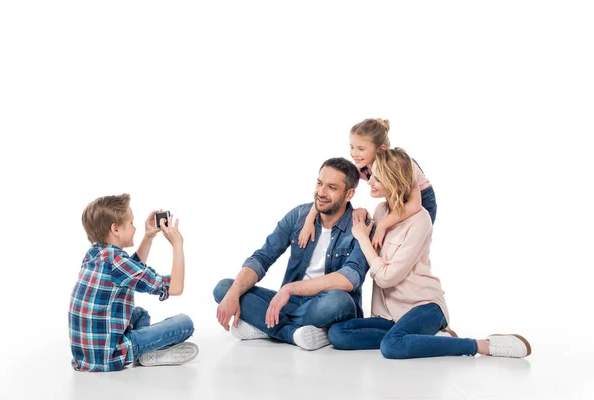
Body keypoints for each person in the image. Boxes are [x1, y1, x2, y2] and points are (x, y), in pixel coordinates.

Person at [328, 149, 531, 359]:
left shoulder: (420, 220)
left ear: (393, 181)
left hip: (423, 307)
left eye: (377, 178)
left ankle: (481, 346)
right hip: (388, 317)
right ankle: (425, 339)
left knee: (391, 347)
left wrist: (362, 238)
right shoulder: (380, 211)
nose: (369, 182)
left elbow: (387, 278)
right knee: (338, 334)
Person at [213, 158, 372, 350]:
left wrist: (290, 289)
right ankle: (295, 333)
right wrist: (234, 292)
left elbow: (350, 278)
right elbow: (263, 257)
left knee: (340, 301)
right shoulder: (299, 216)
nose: (321, 192)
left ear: (349, 194)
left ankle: (267, 327)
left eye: (331, 187)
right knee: (224, 288)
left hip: (325, 304)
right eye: (319, 183)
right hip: (291, 303)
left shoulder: (361, 227)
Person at [68, 194, 198, 372]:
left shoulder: (97, 253)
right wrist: (177, 244)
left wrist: (148, 236)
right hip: (110, 356)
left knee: (139, 314)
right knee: (185, 324)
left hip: (87, 355)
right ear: (115, 229)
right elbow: (175, 288)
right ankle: (143, 352)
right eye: (131, 223)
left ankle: (145, 350)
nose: (135, 228)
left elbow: (131, 269)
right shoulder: (116, 261)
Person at [298, 118, 436, 251]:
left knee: (412, 243)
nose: (354, 153)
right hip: (396, 201)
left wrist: (382, 225)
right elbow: (331, 188)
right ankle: (385, 270)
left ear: (381, 149)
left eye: (361, 149)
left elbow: (415, 204)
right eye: (351, 147)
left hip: (422, 200)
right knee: (392, 244)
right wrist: (309, 220)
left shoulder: (400, 163)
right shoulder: (362, 167)